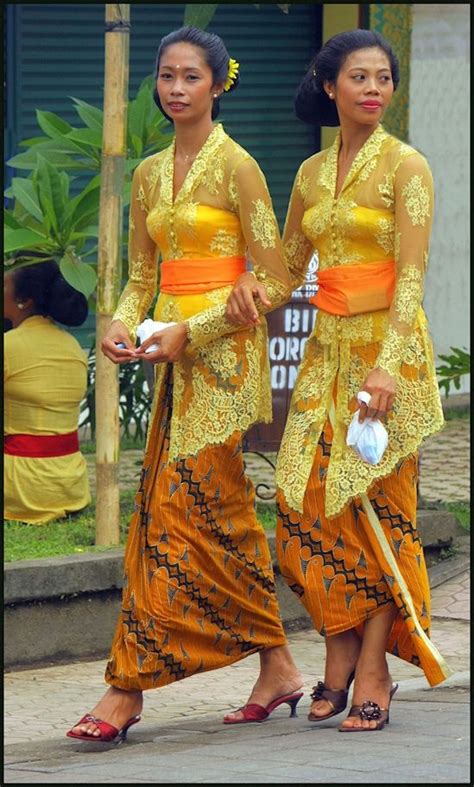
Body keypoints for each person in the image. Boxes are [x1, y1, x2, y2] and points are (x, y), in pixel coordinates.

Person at [67, 26, 303, 743]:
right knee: (220, 520)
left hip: (224, 366)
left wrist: (194, 329)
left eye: (190, 77)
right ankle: (280, 666)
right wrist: (119, 322)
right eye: (166, 76)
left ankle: (125, 689)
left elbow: (275, 275)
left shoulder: (241, 168)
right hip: (169, 366)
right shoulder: (146, 173)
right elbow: (143, 276)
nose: (175, 89)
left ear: (217, 83)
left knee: (172, 516)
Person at [226, 29, 451, 733]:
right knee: (302, 511)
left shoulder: (407, 166)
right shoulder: (312, 174)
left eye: (383, 78)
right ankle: (339, 647)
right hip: (324, 359)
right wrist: (243, 288)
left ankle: (371, 669)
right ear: (330, 86)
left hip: (391, 357)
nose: (374, 89)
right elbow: (288, 268)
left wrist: (388, 366)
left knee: (379, 517)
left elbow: (412, 275)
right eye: (359, 77)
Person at [4, 260, 91, 524]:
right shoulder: (73, 346)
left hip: (21, 489)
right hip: (69, 485)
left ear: (24, 301)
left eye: (3, 285)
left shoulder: (8, 346)